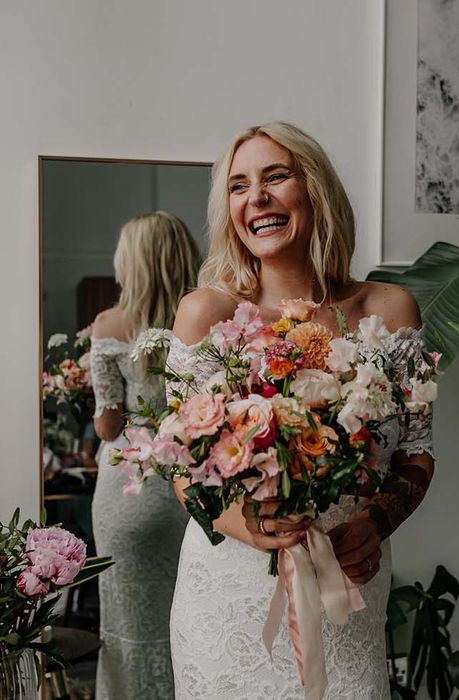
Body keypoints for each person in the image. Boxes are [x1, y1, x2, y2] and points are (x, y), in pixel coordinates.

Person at [167, 123, 435, 699]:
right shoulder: (203, 314)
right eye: (238, 186)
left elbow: (415, 454)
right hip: (230, 598)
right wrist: (248, 525)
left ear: (316, 190)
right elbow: (182, 469)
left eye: (275, 177)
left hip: (348, 589)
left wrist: (376, 522)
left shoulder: (388, 311)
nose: (255, 198)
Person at [90, 211, 201, 700]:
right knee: (194, 617)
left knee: (128, 622)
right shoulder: (205, 318)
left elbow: (107, 422)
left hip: (129, 490)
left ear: (130, 262)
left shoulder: (110, 323)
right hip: (195, 486)